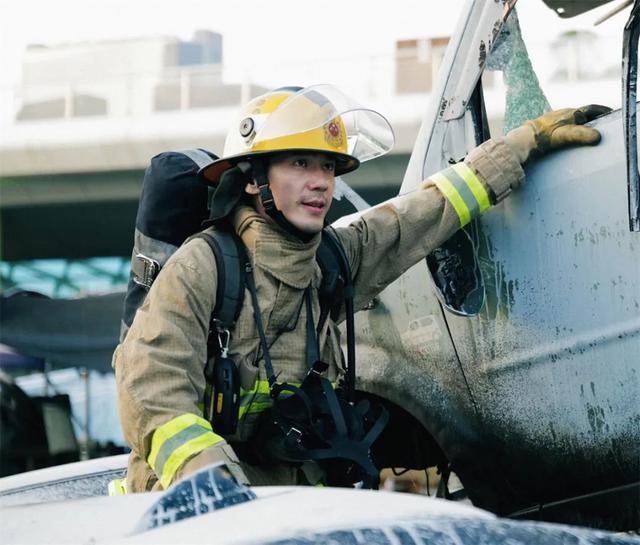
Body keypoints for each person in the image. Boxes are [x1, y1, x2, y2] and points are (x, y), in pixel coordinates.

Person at [113, 84, 608, 493]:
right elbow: (150, 385)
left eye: (328, 167)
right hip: (184, 496)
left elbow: (427, 210)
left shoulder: (332, 257)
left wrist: (524, 142)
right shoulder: (203, 266)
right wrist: (211, 481)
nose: (320, 182)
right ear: (251, 180)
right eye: (300, 164)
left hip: (287, 489)